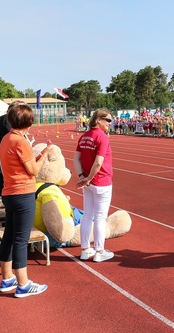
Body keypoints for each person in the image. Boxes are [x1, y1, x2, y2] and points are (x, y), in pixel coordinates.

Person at [0, 103, 50, 298]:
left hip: (10, 192)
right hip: (23, 193)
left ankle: (7, 278)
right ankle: (23, 284)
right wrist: (44, 155)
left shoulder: (6, 139)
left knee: (9, 236)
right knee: (21, 240)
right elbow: (34, 170)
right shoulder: (20, 141)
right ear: (29, 122)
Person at [74, 109, 116, 262]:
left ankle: (85, 250)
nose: (109, 123)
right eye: (108, 120)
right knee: (100, 217)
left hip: (88, 183)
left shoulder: (84, 137)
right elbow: (98, 162)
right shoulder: (102, 137)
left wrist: (83, 177)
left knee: (88, 216)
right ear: (98, 119)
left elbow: (76, 159)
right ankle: (99, 251)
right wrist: (89, 178)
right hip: (101, 181)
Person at [0, 100, 24, 197]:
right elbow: (13, 137)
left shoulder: (3, 119)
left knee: (2, 186)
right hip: (1, 159)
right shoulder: (7, 120)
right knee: (4, 186)